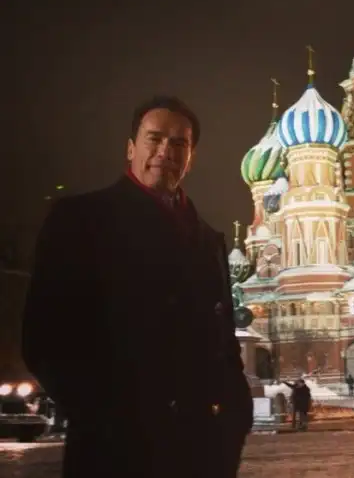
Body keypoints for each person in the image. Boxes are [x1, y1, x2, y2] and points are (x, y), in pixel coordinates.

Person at [21, 96, 253, 478]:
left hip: (200, 455)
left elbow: (223, 343)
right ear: (131, 148)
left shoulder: (209, 240)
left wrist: (235, 418)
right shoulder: (82, 220)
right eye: (154, 139)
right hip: (115, 453)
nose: (165, 152)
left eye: (179, 143)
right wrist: (102, 418)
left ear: (191, 157)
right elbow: (44, 337)